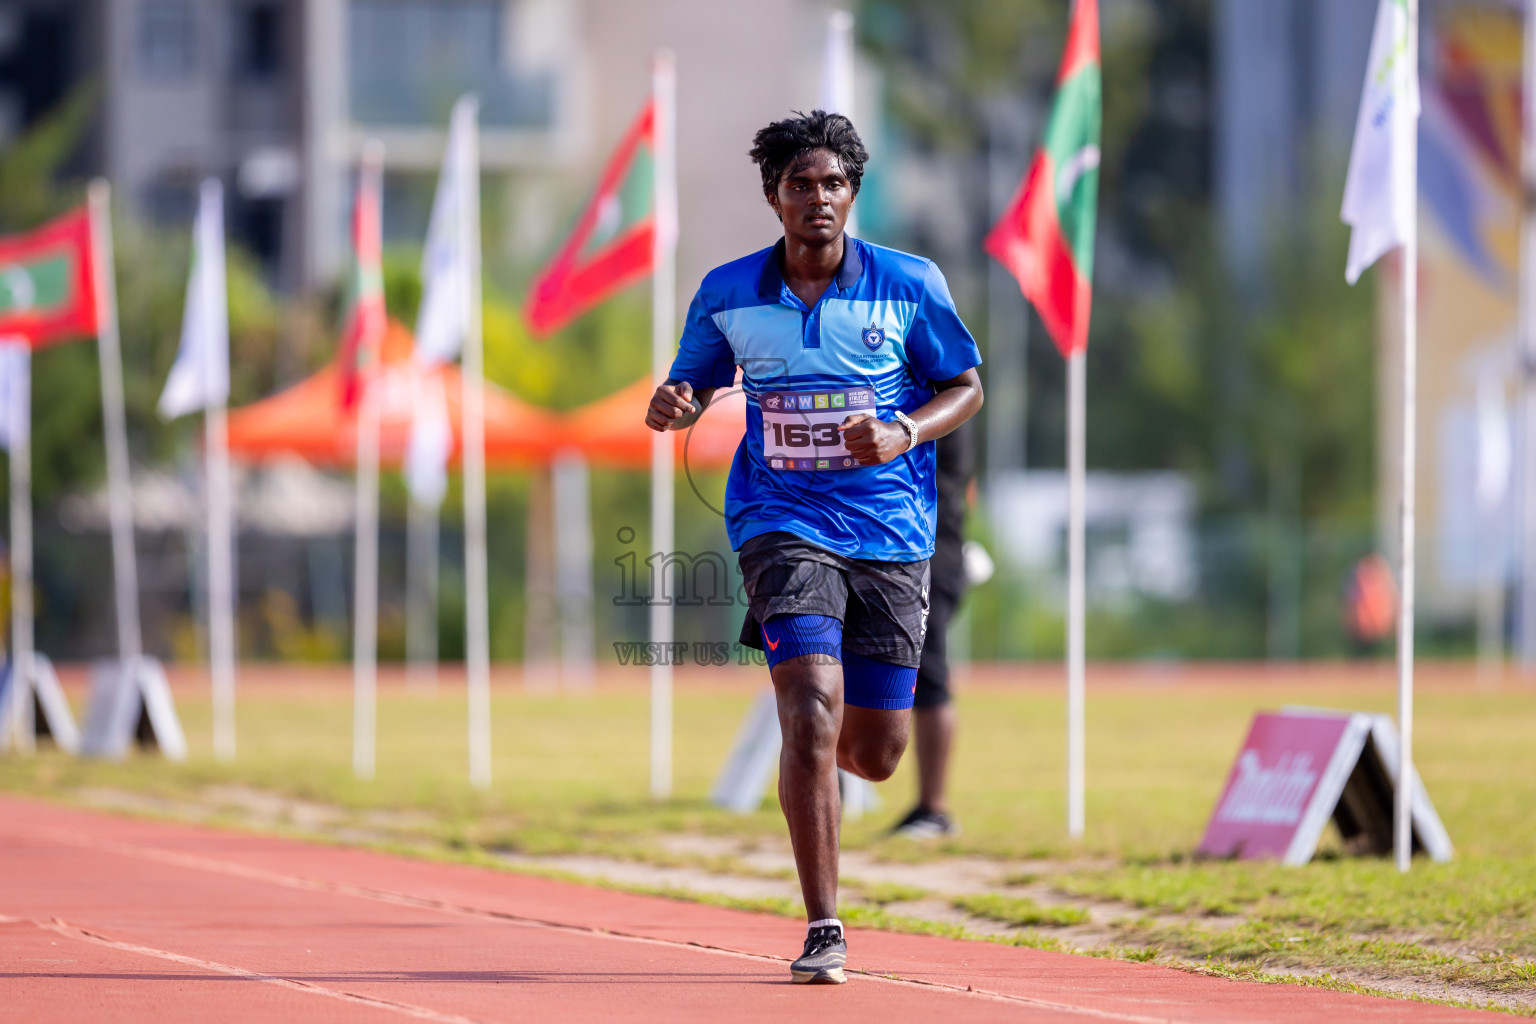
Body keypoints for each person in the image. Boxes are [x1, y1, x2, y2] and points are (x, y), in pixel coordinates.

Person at [644, 110, 983, 985]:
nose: (818, 199)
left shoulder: (909, 283)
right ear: (774, 197)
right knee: (808, 707)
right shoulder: (728, 290)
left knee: (874, 752)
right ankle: (823, 925)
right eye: (801, 184)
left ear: (853, 195)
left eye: (834, 184)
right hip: (780, 520)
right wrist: (678, 400)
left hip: (893, 532)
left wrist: (905, 429)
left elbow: (966, 386)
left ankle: (821, 749)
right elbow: (696, 376)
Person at [888, 421, 973, 839]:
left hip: (929, 548)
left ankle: (934, 809)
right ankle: (838, 789)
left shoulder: (946, 388)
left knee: (930, 673)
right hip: (890, 541)